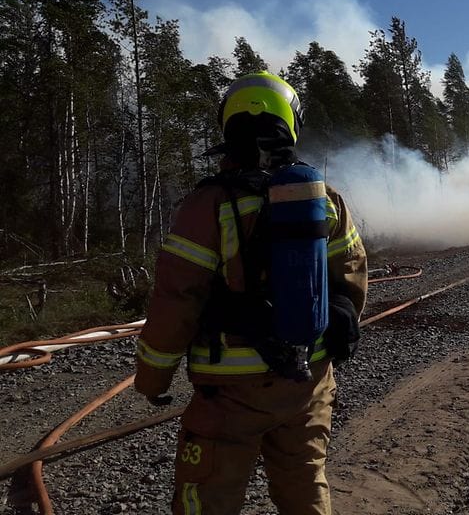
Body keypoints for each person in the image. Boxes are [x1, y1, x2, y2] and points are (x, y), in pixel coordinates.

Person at [134, 71, 368, 515]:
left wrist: (152, 378)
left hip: (229, 392)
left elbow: (175, 298)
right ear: (290, 123)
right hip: (308, 380)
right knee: (306, 484)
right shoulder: (324, 197)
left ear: (229, 126)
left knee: (208, 498)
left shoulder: (207, 205)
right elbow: (352, 276)